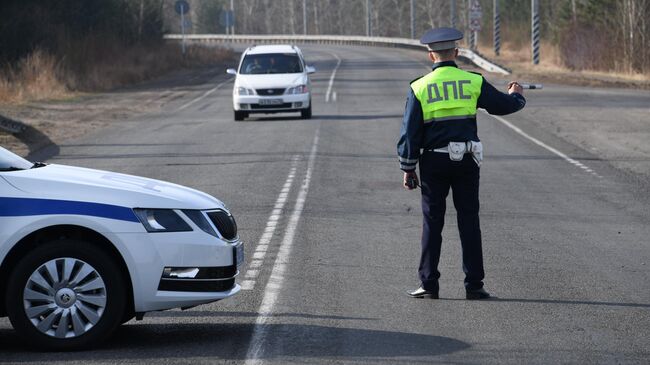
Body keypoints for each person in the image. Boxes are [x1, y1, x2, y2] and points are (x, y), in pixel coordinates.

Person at [397, 27, 526, 300]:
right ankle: (474, 286)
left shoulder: (419, 87)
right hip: (467, 160)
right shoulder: (472, 81)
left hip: (433, 162)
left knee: (433, 222)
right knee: (469, 221)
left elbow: (410, 132)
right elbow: (504, 105)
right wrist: (517, 94)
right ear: (455, 53)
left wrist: (408, 168)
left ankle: (429, 285)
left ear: (431, 55)